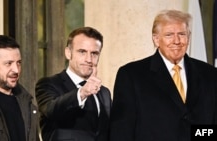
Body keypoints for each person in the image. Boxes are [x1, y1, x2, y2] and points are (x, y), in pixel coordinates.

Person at [109, 9, 217, 141]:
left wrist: (196, 135)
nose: (176, 41)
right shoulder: (131, 75)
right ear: (156, 39)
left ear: (188, 37)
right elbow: (121, 131)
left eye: (182, 34)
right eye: (169, 35)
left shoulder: (210, 74)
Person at [35, 27, 112, 141]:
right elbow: (51, 109)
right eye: (82, 52)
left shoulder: (104, 92)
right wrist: (82, 93)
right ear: (68, 53)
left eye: (94, 53)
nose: (89, 59)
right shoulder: (48, 84)